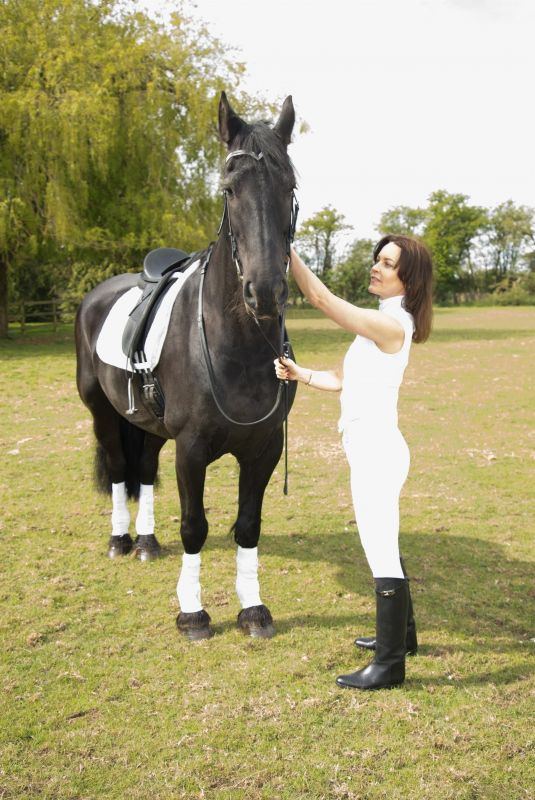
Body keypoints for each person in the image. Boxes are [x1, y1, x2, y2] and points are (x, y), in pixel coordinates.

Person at [275, 234, 433, 690]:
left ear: (409, 279)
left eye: (388, 263)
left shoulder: (392, 324)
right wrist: (300, 373)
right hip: (374, 447)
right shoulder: (381, 322)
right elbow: (345, 379)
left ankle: (388, 666)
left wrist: (287, 250)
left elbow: (321, 299)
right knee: (385, 541)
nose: (376, 268)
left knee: (379, 548)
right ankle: (403, 638)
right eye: (377, 260)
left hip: (377, 452)